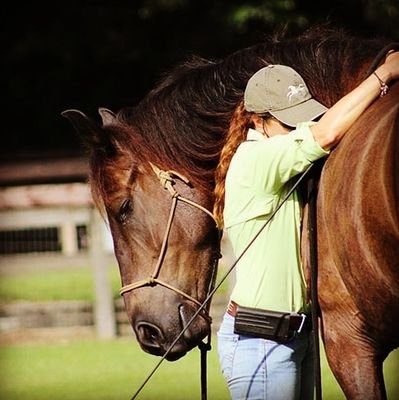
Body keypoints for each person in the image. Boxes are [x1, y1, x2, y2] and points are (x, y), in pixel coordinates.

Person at [213, 52, 399, 400]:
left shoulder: (276, 156)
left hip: (293, 336)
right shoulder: (257, 159)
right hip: (261, 342)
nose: (298, 128)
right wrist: (384, 74)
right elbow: (326, 133)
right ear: (257, 121)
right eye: (288, 122)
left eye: (303, 118)